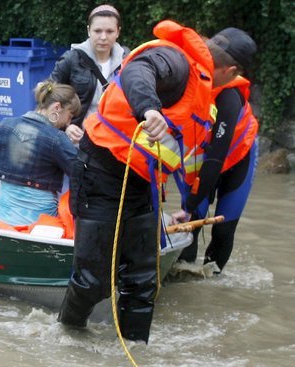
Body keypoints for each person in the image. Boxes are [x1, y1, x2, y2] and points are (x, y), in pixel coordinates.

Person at [57, 21, 256, 342]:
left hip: (142, 185)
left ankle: (136, 353)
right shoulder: (177, 60)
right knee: (94, 279)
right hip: (101, 173)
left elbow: (191, 158)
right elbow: (139, 70)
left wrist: (190, 206)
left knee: (142, 280)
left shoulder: (208, 91)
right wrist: (148, 110)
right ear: (231, 70)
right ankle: (67, 338)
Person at [173, 29, 259, 273]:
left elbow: (216, 157)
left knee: (223, 228)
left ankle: (211, 281)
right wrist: (190, 209)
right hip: (203, 154)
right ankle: (182, 275)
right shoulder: (188, 70)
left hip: (237, 156)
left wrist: (189, 204)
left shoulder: (229, 97)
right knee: (191, 224)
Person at [0, 81, 80, 226]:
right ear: (57, 107)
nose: (68, 123)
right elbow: (81, 176)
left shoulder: (4, 126)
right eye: (70, 115)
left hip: (2, 220)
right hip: (40, 225)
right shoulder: (58, 139)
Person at [49, 4, 128, 144]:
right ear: (88, 31)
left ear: (118, 32)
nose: (103, 37)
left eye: (109, 31)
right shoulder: (71, 59)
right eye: (97, 31)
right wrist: (65, 126)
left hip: (115, 142)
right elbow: (47, 97)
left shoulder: (127, 60)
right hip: (79, 142)